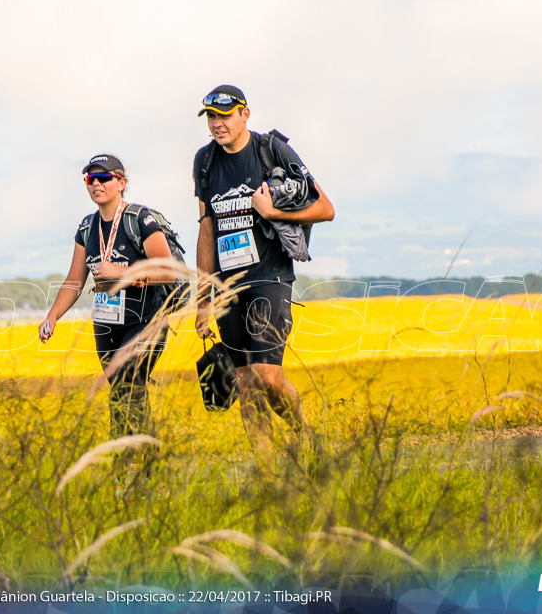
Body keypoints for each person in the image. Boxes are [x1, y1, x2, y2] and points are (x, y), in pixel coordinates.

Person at [192, 85, 335, 460]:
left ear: (245, 114)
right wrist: (203, 298)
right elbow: (206, 229)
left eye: (225, 115)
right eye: (211, 117)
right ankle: (267, 473)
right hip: (227, 285)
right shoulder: (204, 161)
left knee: (268, 376)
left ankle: (307, 438)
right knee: (245, 383)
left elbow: (326, 208)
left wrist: (273, 213)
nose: (217, 124)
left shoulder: (271, 150)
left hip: (269, 277)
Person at [39, 154, 177, 440]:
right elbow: (75, 280)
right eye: (90, 179)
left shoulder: (139, 219)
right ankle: (141, 461)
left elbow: (168, 272)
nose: (96, 184)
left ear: (121, 182)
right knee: (121, 387)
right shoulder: (87, 227)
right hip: (106, 323)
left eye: (104, 178)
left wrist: (122, 273)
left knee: (127, 378)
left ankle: (129, 461)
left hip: (146, 320)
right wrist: (52, 317)